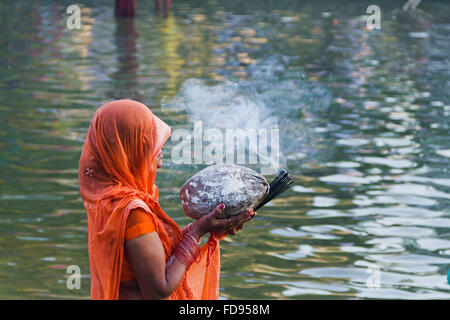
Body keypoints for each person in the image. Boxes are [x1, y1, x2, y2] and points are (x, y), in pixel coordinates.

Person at [78, 99, 255, 300]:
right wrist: (197, 232)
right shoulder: (133, 212)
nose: (159, 143)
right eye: (147, 137)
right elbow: (158, 291)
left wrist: (202, 228)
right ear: (128, 147)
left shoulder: (107, 199)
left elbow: (146, 260)